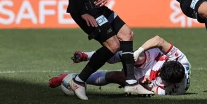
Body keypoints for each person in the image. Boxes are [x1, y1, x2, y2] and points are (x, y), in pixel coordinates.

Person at [49, 36, 191, 95]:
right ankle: (87, 56)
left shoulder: (171, 90)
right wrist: (140, 51)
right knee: (136, 57)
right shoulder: (182, 61)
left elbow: (149, 89)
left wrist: (143, 83)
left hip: (146, 77)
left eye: (162, 76)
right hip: (153, 58)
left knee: (116, 76)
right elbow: (159, 40)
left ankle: (71, 78)